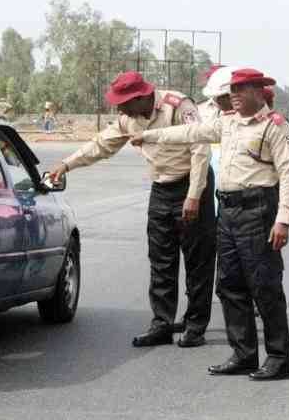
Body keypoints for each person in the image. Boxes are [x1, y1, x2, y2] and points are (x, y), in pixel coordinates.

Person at [132, 68, 289, 381]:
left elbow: (287, 175)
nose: (233, 95)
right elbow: (189, 133)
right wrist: (149, 136)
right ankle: (244, 354)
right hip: (229, 210)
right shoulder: (228, 122)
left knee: (264, 286)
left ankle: (278, 358)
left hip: (258, 210)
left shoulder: (274, 126)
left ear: (259, 91)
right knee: (230, 285)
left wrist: (283, 220)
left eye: (240, 89)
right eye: (231, 90)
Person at [50, 71, 216, 348]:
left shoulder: (178, 106)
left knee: (198, 260)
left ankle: (195, 325)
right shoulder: (130, 118)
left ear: (140, 97)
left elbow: (200, 148)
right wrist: (67, 164)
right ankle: (162, 324)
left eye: (123, 103)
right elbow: (101, 144)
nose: (119, 109)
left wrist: (194, 195)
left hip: (192, 185)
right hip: (162, 188)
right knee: (161, 261)